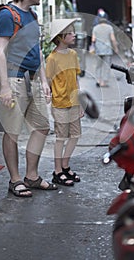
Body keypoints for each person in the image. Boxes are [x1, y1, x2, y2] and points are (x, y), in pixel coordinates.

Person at [0, 0, 57, 197]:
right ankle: (15, 180)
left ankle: (31, 176)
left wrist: (43, 80)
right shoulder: (7, 15)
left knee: (42, 127)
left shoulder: (31, 16)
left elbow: (37, 50)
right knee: (12, 131)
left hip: (32, 79)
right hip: (13, 78)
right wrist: (4, 86)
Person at [45, 19, 84, 186]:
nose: (74, 35)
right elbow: (47, 80)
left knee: (75, 136)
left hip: (74, 102)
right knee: (61, 138)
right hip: (60, 103)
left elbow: (75, 79)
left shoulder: (73, 55)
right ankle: (57, 171)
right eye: (70, 33)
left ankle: (65, 166)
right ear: (61, 37)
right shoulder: (52, 58)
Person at [91, 17, 118, 87]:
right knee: (106, 66)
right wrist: (115, 48)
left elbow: (93, 39)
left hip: (98, 49)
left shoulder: (95, 28)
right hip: (107, 49)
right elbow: (113, 39)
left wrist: (93, 47)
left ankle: (98, 80)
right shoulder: (109, 28)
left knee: (98, 66)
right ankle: (104, 82)